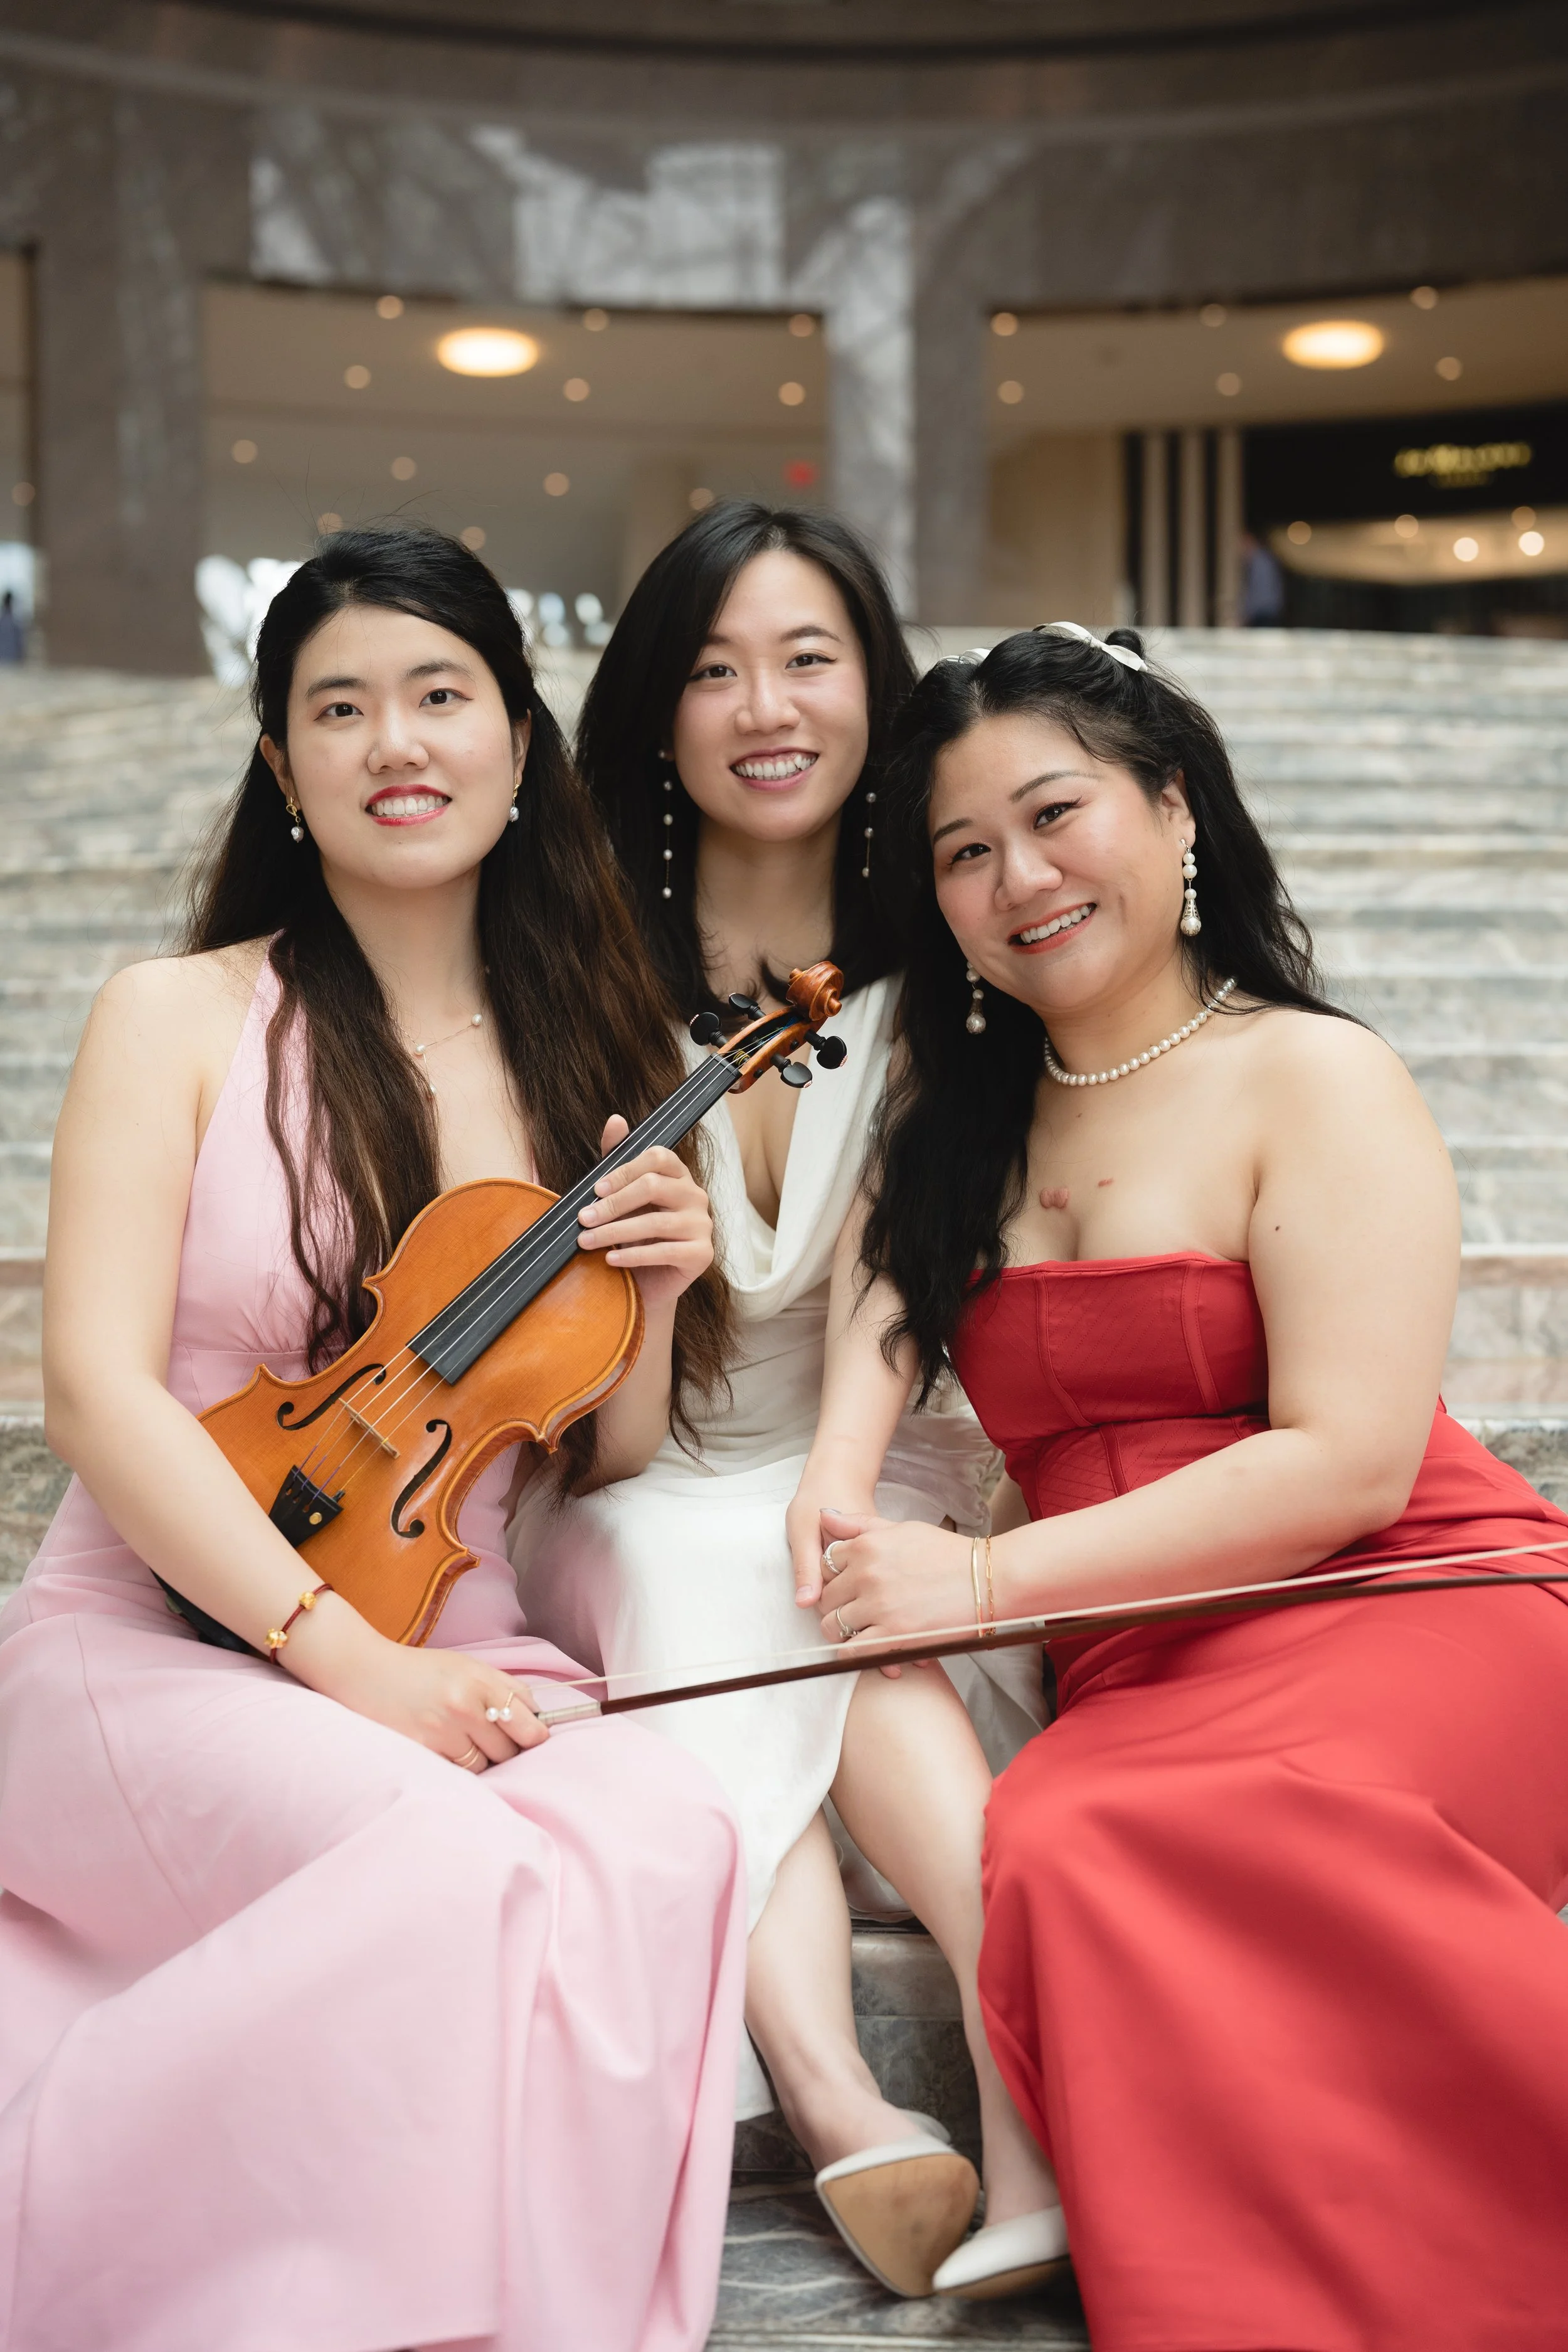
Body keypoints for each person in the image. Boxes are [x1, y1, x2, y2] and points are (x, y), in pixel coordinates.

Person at [0, 526, 748, 2352]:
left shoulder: (596, 1054)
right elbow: (95, 1392)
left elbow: (602, 1451)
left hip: (451, 1626)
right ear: (281, 765)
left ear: (514, 745)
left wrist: (652, 1285)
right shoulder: (175, 1017)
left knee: (668, 1833)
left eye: (437, 696)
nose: (392, 742)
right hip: (162, 1632)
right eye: (338, 707)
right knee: (455, 1862)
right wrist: (350, 1668)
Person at [790, 618, 1568, 2337]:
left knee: (1194, 1823)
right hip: (1142, 1649)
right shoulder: (967, 1117)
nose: (1019, 877)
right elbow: (887, 1293)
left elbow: (1350, 1460)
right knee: (1062, 1835)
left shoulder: (1312, 1070)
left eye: (1058, 815)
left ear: (1174, 805)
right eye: (965, 852)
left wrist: (984, 1581)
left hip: (1407, 1595)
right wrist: (840, 1477)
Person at [514, 502, 1056, 2300]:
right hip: (624, 1456)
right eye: (713, 666)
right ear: (658, 711)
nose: (765, 703)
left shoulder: (945, 943)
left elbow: (908, 1257)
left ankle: (1011, 2115)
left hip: (855, 1434)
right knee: (705, 1563)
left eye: (808, 657)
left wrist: (836, 1481)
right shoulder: (571, 965)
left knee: (839, 1575)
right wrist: (649, 1295)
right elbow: (594, 1414)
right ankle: (842, 2103)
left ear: (871, 687)